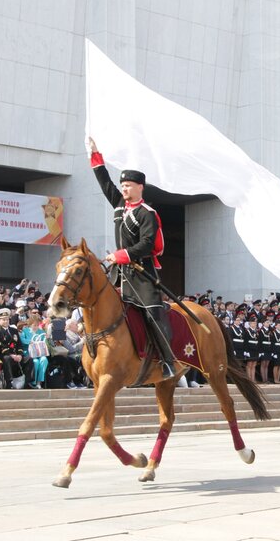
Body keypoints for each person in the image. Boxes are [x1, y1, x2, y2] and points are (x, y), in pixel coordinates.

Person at [88, 136, 175, 381]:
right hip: (120, 275)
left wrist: (120, 255)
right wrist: (95, 156)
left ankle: (168, 362)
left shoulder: (147, 213)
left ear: (140, 188)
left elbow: (147, 244)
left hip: (141, 273)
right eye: (123, 185)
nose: (124, 189)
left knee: (152, 313)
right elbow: (104, 182)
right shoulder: (119, 205)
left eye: (128, 185)